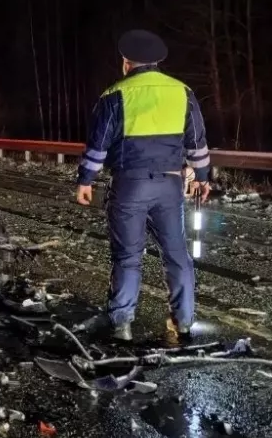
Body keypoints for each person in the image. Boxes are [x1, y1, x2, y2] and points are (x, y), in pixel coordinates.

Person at [75, 29, 212, 342]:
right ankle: (184, 322)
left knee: (128, 257)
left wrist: (86, 180)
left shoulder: (115, 94)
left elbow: (98, 145)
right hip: (170, 186)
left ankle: (122, 323)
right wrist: (203, 179)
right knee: (177, 254)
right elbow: (197, 143)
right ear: (157, 63)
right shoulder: (182, 92)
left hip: (130, 184)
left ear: (127, 63)